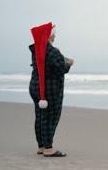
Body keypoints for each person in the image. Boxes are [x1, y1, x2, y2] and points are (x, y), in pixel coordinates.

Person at [28, 22, 74, 157]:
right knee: (51, 116)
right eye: (53, 33)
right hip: (50, 89)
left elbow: (48, 64)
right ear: (48, 35)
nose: (55, 36)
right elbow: (61, 68)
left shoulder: (37, 49)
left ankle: (41, 146)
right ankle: (49, 148)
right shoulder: (52, 51)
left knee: (41, 116)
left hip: (36, 86)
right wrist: (69, 63)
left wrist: (61, 57)